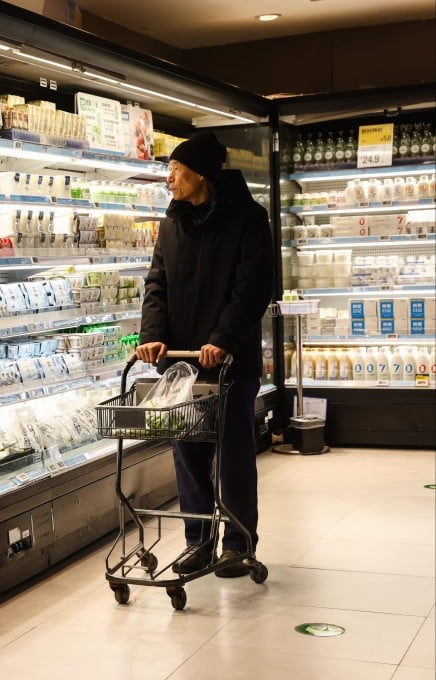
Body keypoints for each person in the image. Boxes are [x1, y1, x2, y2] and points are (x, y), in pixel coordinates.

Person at [135, 131, 274, 578]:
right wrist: (152, 334)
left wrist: (224, 339)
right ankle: (198, 540)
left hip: (229, 361)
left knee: (233, 455)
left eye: (175, 170)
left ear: (200, 174)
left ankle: (237, 543)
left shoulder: (248, 218)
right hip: (180, 364)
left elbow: (253, 287)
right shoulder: (171, 223)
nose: (169, 179)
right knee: (188, 453)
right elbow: (156, 284)